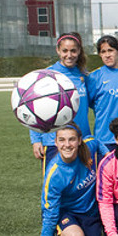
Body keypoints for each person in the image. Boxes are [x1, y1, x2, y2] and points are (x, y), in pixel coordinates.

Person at [38, 123, 107, 236]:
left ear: (79, 141)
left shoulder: (88, 148)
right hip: (67, 214)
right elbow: (49, 215)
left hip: (90, 214)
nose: (67, 144)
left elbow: (97, 142)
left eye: (71, 140)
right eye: (61, 140)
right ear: (55, 142)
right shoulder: (55, 173)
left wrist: (108, 158)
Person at [30, 32, 92, 172]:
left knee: (82, 185)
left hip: (82, 140)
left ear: (79, 51)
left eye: (73, 51)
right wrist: (36, 140)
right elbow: (33, 108)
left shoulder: (84, 75)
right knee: (55, 185)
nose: (69, 55)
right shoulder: (47, 75)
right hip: (53, 142)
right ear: (58, 50)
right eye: (65, 51)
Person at [87, 35, 118, 151]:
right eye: (103, 52)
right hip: (105, 139)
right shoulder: (94, 77)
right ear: (99, 54)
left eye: (110, 50)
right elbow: (88, 103)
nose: (107, 55)